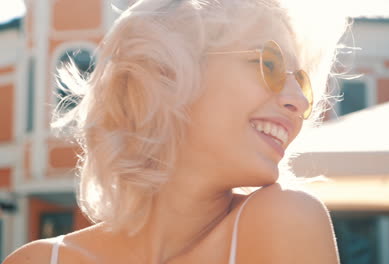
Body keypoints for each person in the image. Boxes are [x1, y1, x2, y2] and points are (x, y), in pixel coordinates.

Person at [5, 0, 347, 263]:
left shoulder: (286, 219)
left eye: (300, 80)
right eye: (269, 64)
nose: (300, 101)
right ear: (165, 72)